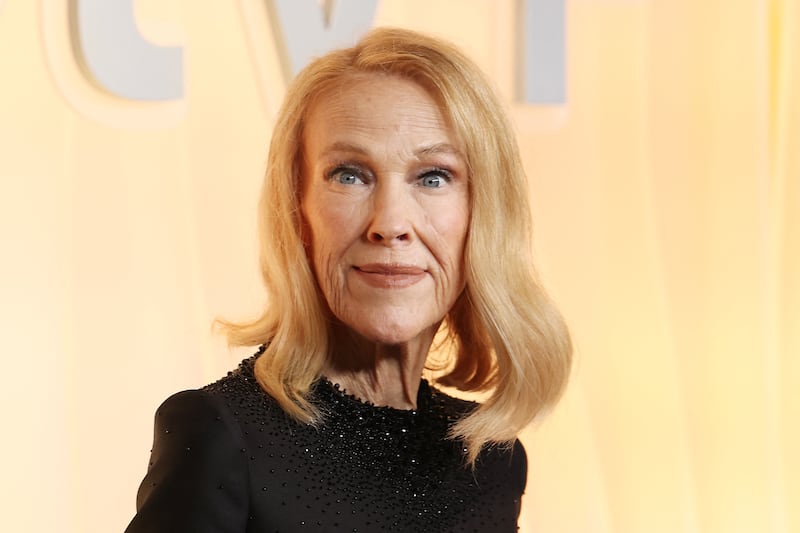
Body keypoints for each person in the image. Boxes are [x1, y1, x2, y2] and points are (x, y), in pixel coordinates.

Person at [125, 27, 572, 533]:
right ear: (298, 209)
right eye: (349, 175)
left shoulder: (492, 462)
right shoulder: (221, 434)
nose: (390, 223)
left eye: (433, 177)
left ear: (483, 213)